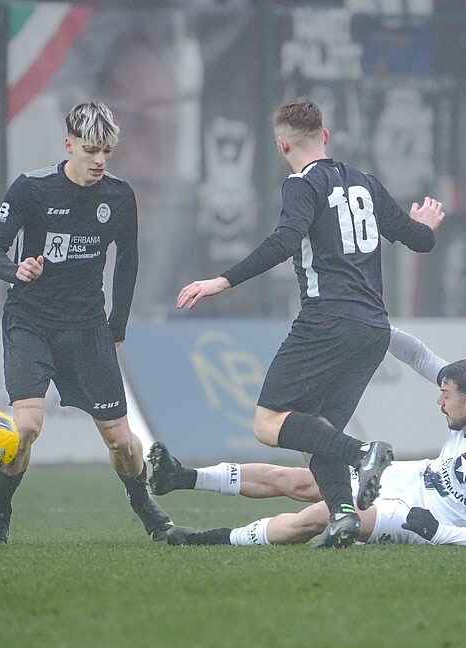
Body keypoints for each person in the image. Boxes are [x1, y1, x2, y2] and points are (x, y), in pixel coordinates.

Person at [176, 97, 445, 548]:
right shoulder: (366, 183)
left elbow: (284, 241)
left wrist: (222, 280)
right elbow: (419, 241)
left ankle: (364, 453)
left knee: (267, 423)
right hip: (373, 329)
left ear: (283, 145)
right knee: (317, 431)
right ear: (325, 136)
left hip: (327, 320)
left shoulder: (301, 184)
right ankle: (343, 516)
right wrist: (426, 225)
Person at [0, 102, 172, 545]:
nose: (99, 160)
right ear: (69, 145)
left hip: (86, 328)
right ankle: (0, 512)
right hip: (30, 322)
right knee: (25, 428)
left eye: (107, 151)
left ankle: (143, 505)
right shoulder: (31, 189)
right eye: (90, 150)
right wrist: (16, 270)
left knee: (121, 441)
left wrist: (117, 325)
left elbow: (128, 260)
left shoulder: (119, 196)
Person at [153, 354, 466, 547]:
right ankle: (181, 477)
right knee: (302, 480)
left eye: (446, 396)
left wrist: (439, 532)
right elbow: (421, 357)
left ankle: (208, 538)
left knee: (323, 513)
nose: (439, 402)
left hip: (420, 515)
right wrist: (374, 328)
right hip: (409, 477)